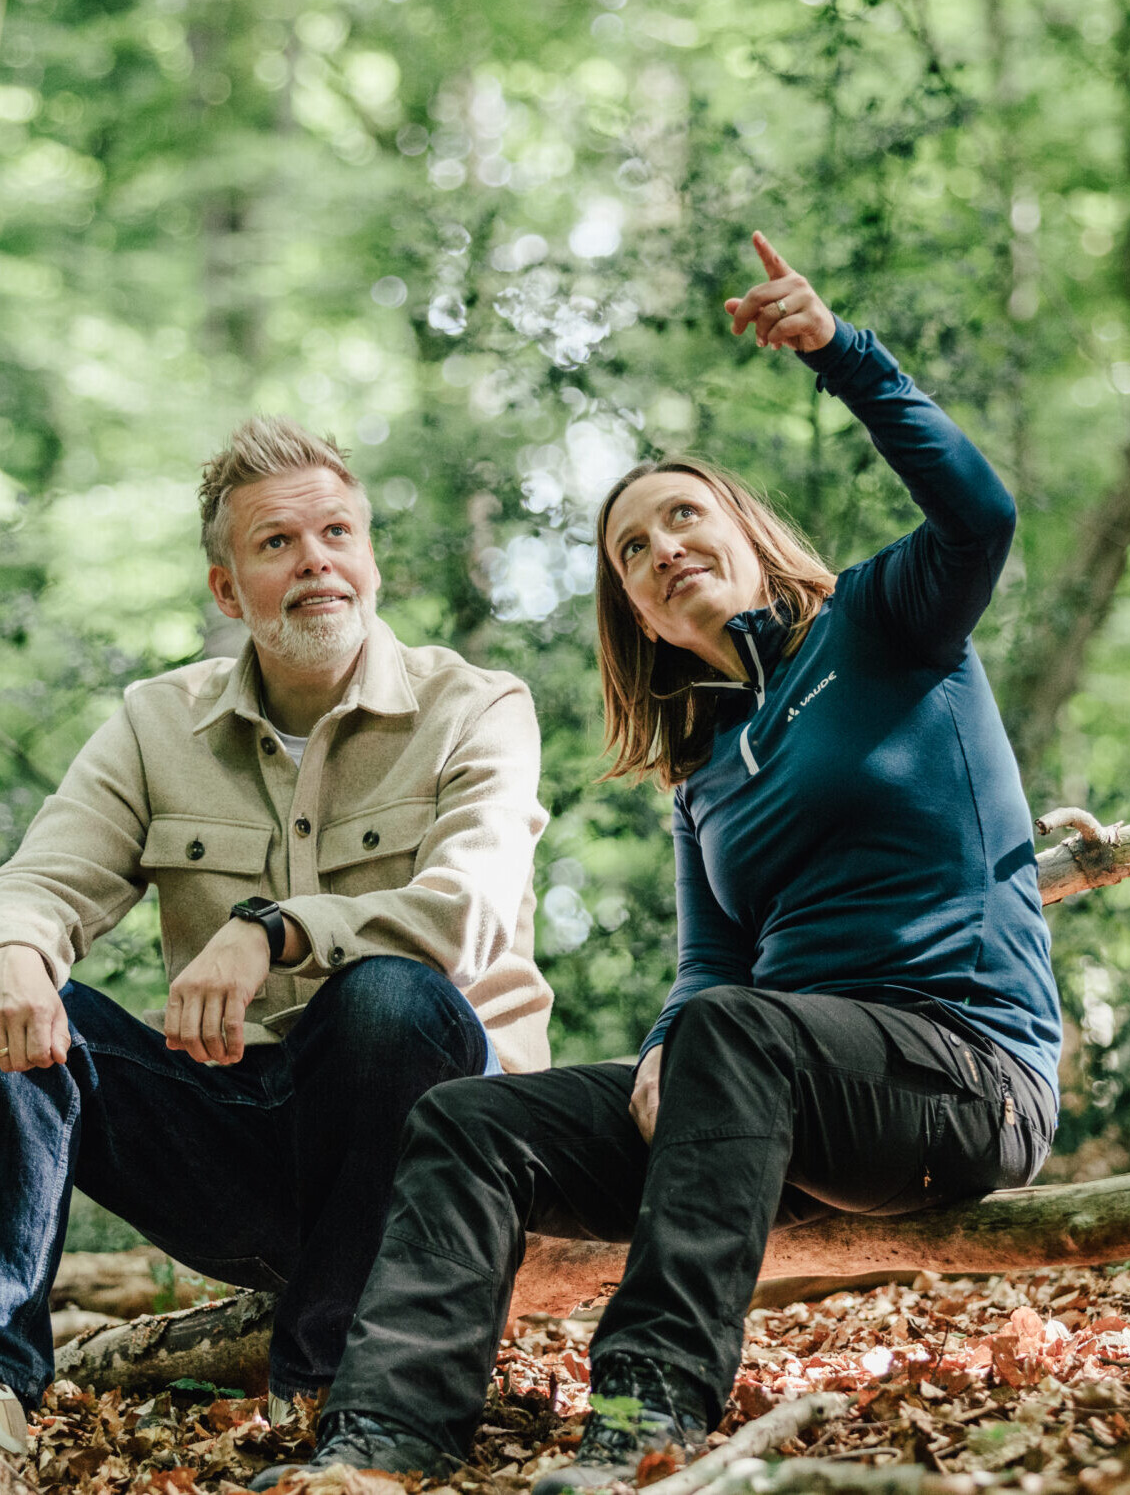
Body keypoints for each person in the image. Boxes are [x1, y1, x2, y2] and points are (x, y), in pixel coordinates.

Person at [251, 236, 1063, 1494]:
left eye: (682, 514)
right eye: (631, 549)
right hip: (774, 1090)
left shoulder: (885, 624)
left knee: (737, 1032)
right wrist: (665, 1051)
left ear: (741, 526)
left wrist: (839, 353)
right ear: (632, 611)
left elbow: (984, 513)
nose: (661, 547)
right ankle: (380, 1444)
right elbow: (712, 966)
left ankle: (643, 1421)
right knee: (469, 1121)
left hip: (963, 1075)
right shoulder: (708, 774)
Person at [0, 416, 553, 1460]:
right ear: (229, 591)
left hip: (442, 1145)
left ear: (370, 555)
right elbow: (33, 884)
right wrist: (14, 961)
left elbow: (468, 907)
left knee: (389, 997)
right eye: (277, 544)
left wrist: (276, 930)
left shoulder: (477, 705)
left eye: (338, 533)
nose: (317, 562)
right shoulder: (153, 722)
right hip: (246, 1144)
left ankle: (327, 1400)